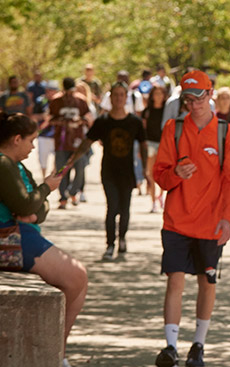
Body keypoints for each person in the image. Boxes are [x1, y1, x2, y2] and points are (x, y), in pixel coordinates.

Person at [0, 111, 88, 367]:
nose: (33, 147)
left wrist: (35, 202)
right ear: (16, 138)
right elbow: (26, 203)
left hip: (21, 232)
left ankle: (58, 352)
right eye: (31, 141)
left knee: (79, 279)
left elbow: (38, 210)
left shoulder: (15, 165)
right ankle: (52, 351)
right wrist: (44, 189)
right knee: (76, 275)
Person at [151, 70, 230, 367]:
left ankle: (198, 345)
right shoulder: (173, 129)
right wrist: (175, 174)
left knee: (207, 282)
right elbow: (160, 174)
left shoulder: (226, 133)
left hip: (210, 223)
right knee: (175, 281)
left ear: (211, 95)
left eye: (200, 98)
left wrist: (228, 220)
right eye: (188, 100)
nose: (194, 105)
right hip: (177, 221)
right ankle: (170, 348)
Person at [86, 82, 147, 261]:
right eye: (115, 95)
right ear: (110, 97)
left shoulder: (134, 122)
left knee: (125, 208)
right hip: (109, 171)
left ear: (126, 97)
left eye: (122, 95)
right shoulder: (103, 121)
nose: (119, 98)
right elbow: (87, 141)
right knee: (112, 207)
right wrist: (70, 162)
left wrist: (144, 171)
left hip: (128, 172)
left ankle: (123, 239)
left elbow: (143, 144)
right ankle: (110, 243)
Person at [48, 77, 91, 209]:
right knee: (61, 169)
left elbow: (88, 119)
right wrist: (62, 122)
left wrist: (79, 121)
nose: (69, 94)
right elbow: (50, 120)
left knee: (80, 168)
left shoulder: (81, 101)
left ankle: (73, 191)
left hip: (78, 142)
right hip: (61, 143)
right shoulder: (56, 101)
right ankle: (63, 197)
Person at [142, 84, 168, 213]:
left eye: (160, 94)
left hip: (163, 144)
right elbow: (143, 128)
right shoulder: (147, 111)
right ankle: (153, 202)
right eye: (155, 94)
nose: (158, 96)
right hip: (150, 143)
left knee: (162, 172)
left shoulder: (166, 110)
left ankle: (161, 196)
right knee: (150, 173)